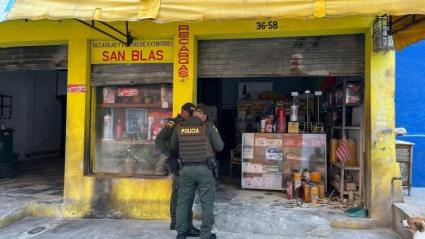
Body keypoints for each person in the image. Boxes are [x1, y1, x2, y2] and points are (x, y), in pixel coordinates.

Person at [171, 105, 224, 239]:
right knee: (206, 202)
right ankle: (205, 235)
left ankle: (181, 233)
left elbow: (173, 146)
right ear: (204, 116)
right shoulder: (208, 127)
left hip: (185, 170)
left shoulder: (179, 127)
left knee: (183, 202)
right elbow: (220, 146)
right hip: (204, 170)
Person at [155, 102, 200, 237]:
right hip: (177, 162)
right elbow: (159, 140)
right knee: (181, 193)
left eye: (193, 114)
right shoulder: (174, 123)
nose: (191, 116)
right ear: (183, 112)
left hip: (187, 162)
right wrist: (170, 155)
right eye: (189, 113)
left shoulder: (190, 124)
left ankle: (178, 222)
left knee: (181, 193)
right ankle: (179, 223)